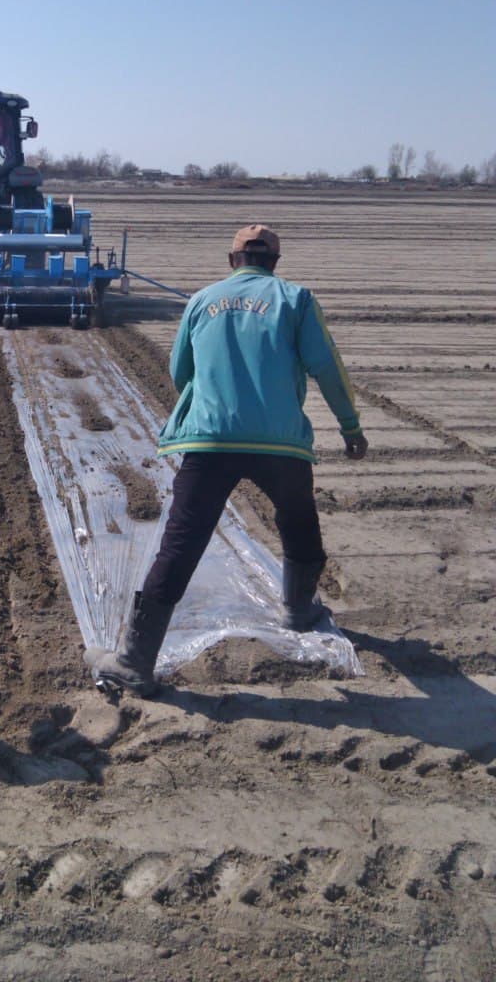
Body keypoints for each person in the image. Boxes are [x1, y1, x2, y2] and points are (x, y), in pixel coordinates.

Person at [85, 223, 368, 697]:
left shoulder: (202, 301)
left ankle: (134, 660)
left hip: (211, 441)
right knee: (299, 522)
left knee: (181, 544)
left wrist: (212, 404)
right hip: (280, 444)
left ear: (232, 260)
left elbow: (180, 370)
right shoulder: (296, 300)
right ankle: (299, 610)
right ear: (274, 262)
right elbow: (327, 366)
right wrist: (350, 426)